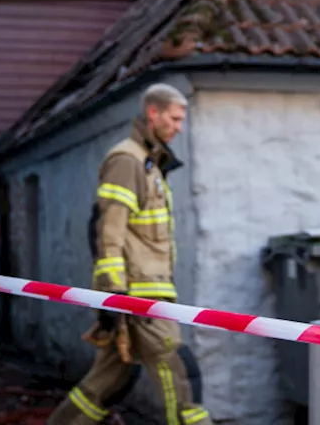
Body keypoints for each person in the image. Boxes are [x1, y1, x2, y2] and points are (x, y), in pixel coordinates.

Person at [49, 84, 212, 425]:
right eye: (174, 118)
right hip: (138, 294)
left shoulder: (150, 164)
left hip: (146, 290)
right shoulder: (127, 161)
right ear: (153, 113)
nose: (179, 127)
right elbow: (109, 229)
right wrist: (114, 291)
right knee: (178, 370)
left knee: (111, 380)